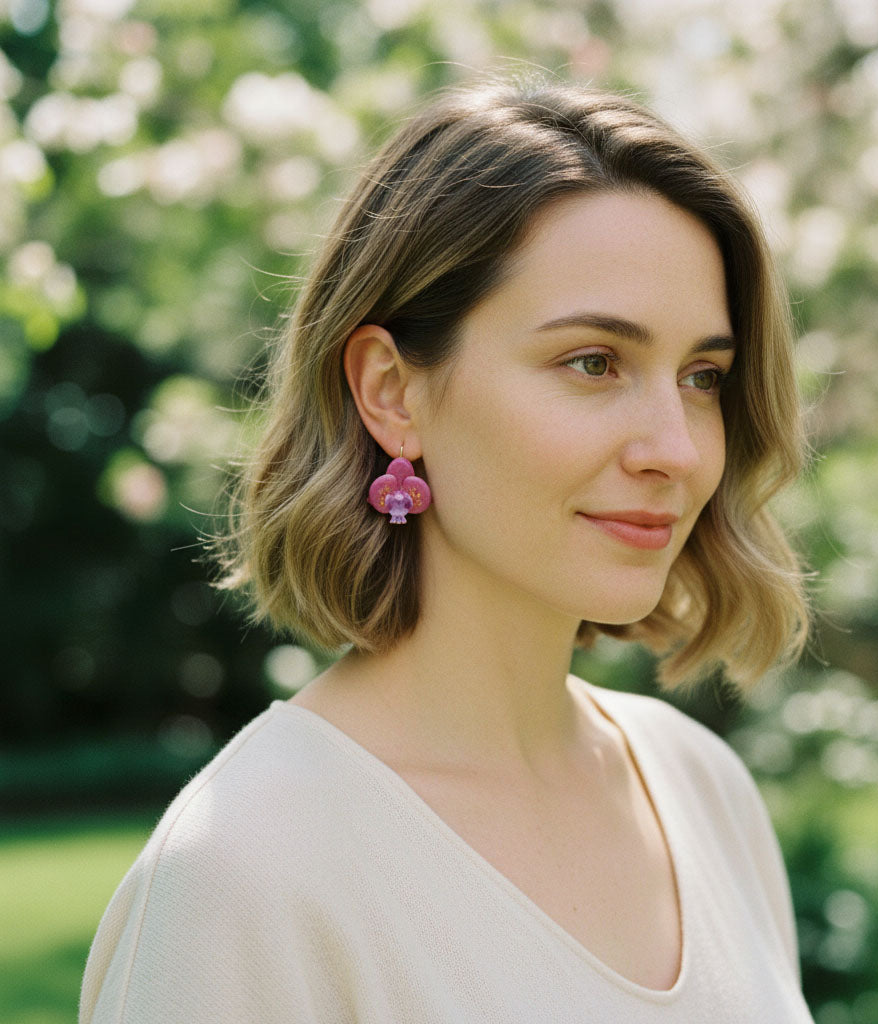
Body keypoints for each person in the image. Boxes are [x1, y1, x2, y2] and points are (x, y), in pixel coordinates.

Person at [80, 76, 813, 1023]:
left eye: (703, 376)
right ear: (391, 391)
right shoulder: (244, 875)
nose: (675, 448)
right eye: (593, 362)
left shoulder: (703, 789)